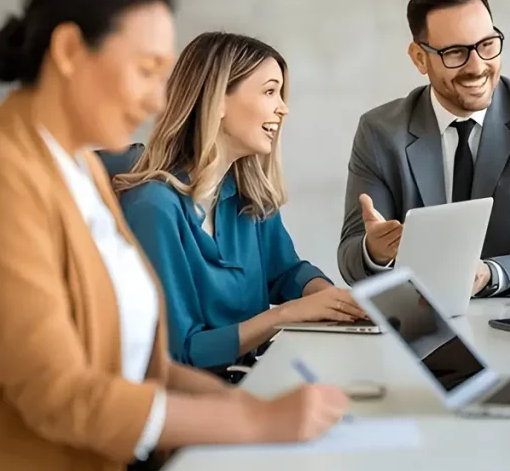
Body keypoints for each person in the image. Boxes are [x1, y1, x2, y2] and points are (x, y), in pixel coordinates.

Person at [0, 0, 348, 471]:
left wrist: (252, 403)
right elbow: (61, 395)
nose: (159, 99)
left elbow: (134, 361)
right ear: (71, 52)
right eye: (145, 70)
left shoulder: (82, 173)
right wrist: (252, 418)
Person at [110, 32, 365, 372]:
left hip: (251, 378)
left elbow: (285, 272)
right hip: (194, 403)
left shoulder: (247, 195)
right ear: (218, 101)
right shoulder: (153, 208)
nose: (283, 108)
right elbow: (179, 353)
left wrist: (335, 302)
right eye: (270, 91)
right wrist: (283, 316)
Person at [337, 0, 510, 296]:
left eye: (487, 45)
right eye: (455, 52)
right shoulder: (380, 132)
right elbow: (350, 259)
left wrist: (491, 274)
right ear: (419, 58)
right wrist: (375, 252)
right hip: (420, 325)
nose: (477, 67)